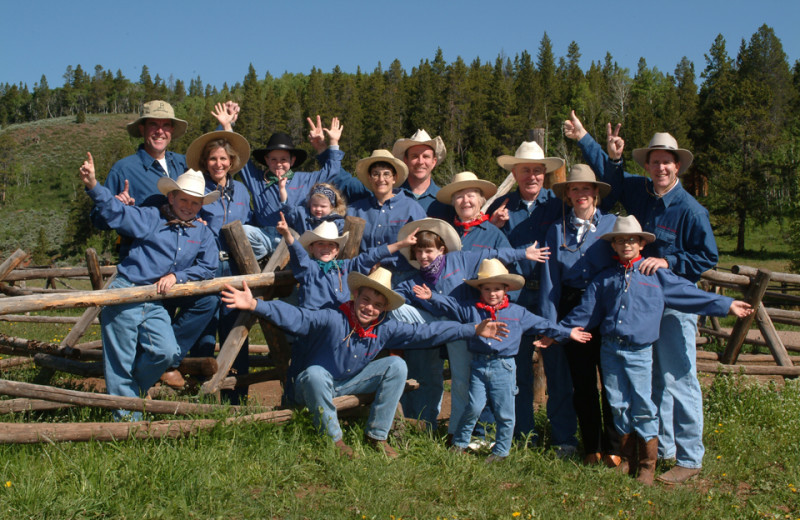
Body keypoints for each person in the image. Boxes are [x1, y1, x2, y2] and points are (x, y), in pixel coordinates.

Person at [564, 110, 720, 484]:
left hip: (674, 304)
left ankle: (690, 456)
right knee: (651, 380)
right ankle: (659, 448)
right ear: (648, 165)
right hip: (640, 305)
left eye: (667, 161)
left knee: (679, 376)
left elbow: (706, 256)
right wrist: (595, 144)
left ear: (677, 165)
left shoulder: (690, 210)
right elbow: (611, 181)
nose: (661, 167)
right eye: (655, 161)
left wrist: (670, 259)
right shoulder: (641, 191)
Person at [542, 216, 753, 485]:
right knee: (618, 404)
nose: (626, 244)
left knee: (642, 404)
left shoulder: (655, 275)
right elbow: (584, 313)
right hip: (610, 350)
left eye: (631, 239)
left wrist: (726, 304)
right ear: (613, 245)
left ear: (641, 243)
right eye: (620, 240)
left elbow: (689, 294)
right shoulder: (604, 278)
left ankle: (647, 465)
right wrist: (557, 334)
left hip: (639, 352)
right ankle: (628, 459)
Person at [220, 268, 509, 458]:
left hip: (347, 383)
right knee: (316, 374)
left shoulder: (386, 328)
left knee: (396, 366)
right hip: (312, 386)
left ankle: (377, 436)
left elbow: (427, 331)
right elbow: (299, 318)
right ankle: (334, 441)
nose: (370, 308)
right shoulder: (332, 317)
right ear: (355, 295)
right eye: (366, 299)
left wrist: (472, 329)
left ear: (384, 309)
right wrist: (258, 305)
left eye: (378, 304)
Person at [90, 99, 217, 390]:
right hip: (142, 263)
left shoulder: (182, 163)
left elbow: (198, 196)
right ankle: (130, 397)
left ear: (172, 131)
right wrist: (115, 204)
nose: (160, 131)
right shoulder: (125, 168)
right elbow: (99, 218)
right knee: (127, 337)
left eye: (165, 126)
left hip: (176, 266)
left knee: (206, 300)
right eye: (154, 125)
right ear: (143, 129)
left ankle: (165, 362)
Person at [79, 154, 218, 420]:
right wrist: (94, 185)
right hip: (126, 292)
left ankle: (132, 393)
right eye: (184, 199)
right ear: (172, 198)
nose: (188, 206)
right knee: (120, 359)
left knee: (166, 352)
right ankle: (128, 424)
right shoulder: (150, 217)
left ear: (201, 204)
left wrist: (178, 276)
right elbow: (116, 212)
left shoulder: (201, 232)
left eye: (195, 202)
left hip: (154, 300)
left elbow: (209, 267)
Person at [414, 259, 589, 462]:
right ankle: (460, 444)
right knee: (474, 406)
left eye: (497, 289)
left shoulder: (517, 313)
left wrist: (567, 332)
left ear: (506, 289)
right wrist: (432, 297)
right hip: (479, 364)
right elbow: (451, 304)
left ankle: (501, 451)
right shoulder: (471, 309)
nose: (492, 293)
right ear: (480, 290)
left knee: (505, 411)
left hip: (504, 366)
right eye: (487, 288)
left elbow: (544, 324)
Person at [391, 218, 549, 435]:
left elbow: (494, 254)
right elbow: (396, 296)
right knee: (394, 307)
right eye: (418, 251)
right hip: (433, 324)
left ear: (441, 249)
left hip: (462, 327)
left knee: (461, 382)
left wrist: (523, 254)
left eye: (428, 250)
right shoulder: (415, 280)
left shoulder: (461, 260)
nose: (423, 256)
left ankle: (455, 433)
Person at [486, 141, 577, 453]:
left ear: (545, 173)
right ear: (515, 172)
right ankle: (524, 435)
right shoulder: (500, 206)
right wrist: (494, 226)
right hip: (515, 298)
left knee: (558, 372)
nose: (532, 176)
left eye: (538, 170)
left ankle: (564, 438)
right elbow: (482, 249)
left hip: (552, 297)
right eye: (525, 170)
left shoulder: (559, 204)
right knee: (517, 371)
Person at [274, 215, 419, 404]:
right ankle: (291, 404)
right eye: (320, 244)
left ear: (337, 250)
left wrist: (401, 244)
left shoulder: (346, 267)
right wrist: (287, 235)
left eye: (331, 245)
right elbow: (298, 255)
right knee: (301, 365)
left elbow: (372, 256)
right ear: (311, 248)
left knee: (330, 367)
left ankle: (328, 401)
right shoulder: (309, 268)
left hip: (339, 330)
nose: (326, 248)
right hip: (312, 330)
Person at [539, 164, 621, 467]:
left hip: (609, 307)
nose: (581, 194)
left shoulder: (613, 225)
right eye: (575, 189)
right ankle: (591, 446)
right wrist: (552, 326)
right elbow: (550, 281)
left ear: (596, 192)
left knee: (611, 378)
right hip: (573, 309)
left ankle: (616, 445)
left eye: (586, 188)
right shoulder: (556, 230)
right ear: (568, 195)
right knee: (583, 382)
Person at [213, 105, 345, 260]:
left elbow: (332, 170)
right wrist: (228, 126)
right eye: (273, 159)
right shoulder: (256, 179)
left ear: (292, 160)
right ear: (266, 160)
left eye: (283, 159)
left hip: (294, 237)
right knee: (244, 231)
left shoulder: (305, 179)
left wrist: (334, 142)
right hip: (263, 236)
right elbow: (240, 156)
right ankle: (261, 260)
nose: (278, 164)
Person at [183, 129, 253, 402]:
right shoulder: (197, 191)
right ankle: (198, 395)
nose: (218, 164)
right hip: (206, 267)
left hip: (236, 269)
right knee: (202, 330)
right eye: (212, 158)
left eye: (223, 158)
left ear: (232, 161)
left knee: (235, 330)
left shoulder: (242, 192)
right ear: (205, 162)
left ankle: (237, 397)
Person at [347, 150, 426, 271]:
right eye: (375, 174)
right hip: (364, 275)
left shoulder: (411, 208)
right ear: (369, 178)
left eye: (386, 174)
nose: (381, 179)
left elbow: (423, 244)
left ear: (394, 178)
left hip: (401, 277)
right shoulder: (354, 210)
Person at [436, 171, 510, 251]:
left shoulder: (494, 235)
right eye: (459, 197)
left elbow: (510, 261)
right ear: (453, 203)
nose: (465, 200)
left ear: (480, 200)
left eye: (470, 196)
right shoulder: (444, 233)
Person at [280, 182, 346, 234]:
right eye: (315, 205)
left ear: (332, 207)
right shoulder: (301, 214)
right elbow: (288, 211)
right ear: (310, 203)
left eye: (323, 206)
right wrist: (282, 189)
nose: (318, 209)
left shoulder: (337, 222)